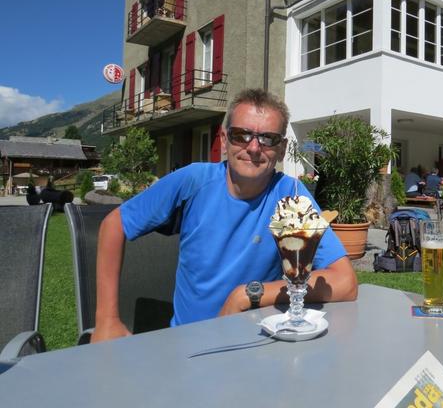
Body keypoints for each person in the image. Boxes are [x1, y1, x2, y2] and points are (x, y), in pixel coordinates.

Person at [91, 89, 358, 343]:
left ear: (282, 149)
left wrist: (248, 295)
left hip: (257, 341)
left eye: (268, 138)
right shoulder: (193, 181)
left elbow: (345, 282)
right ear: (223, 139)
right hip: (189, 345)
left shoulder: (291, 196)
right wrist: (106, 320)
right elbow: (114, 224)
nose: (254, 147)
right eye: (241, 135)